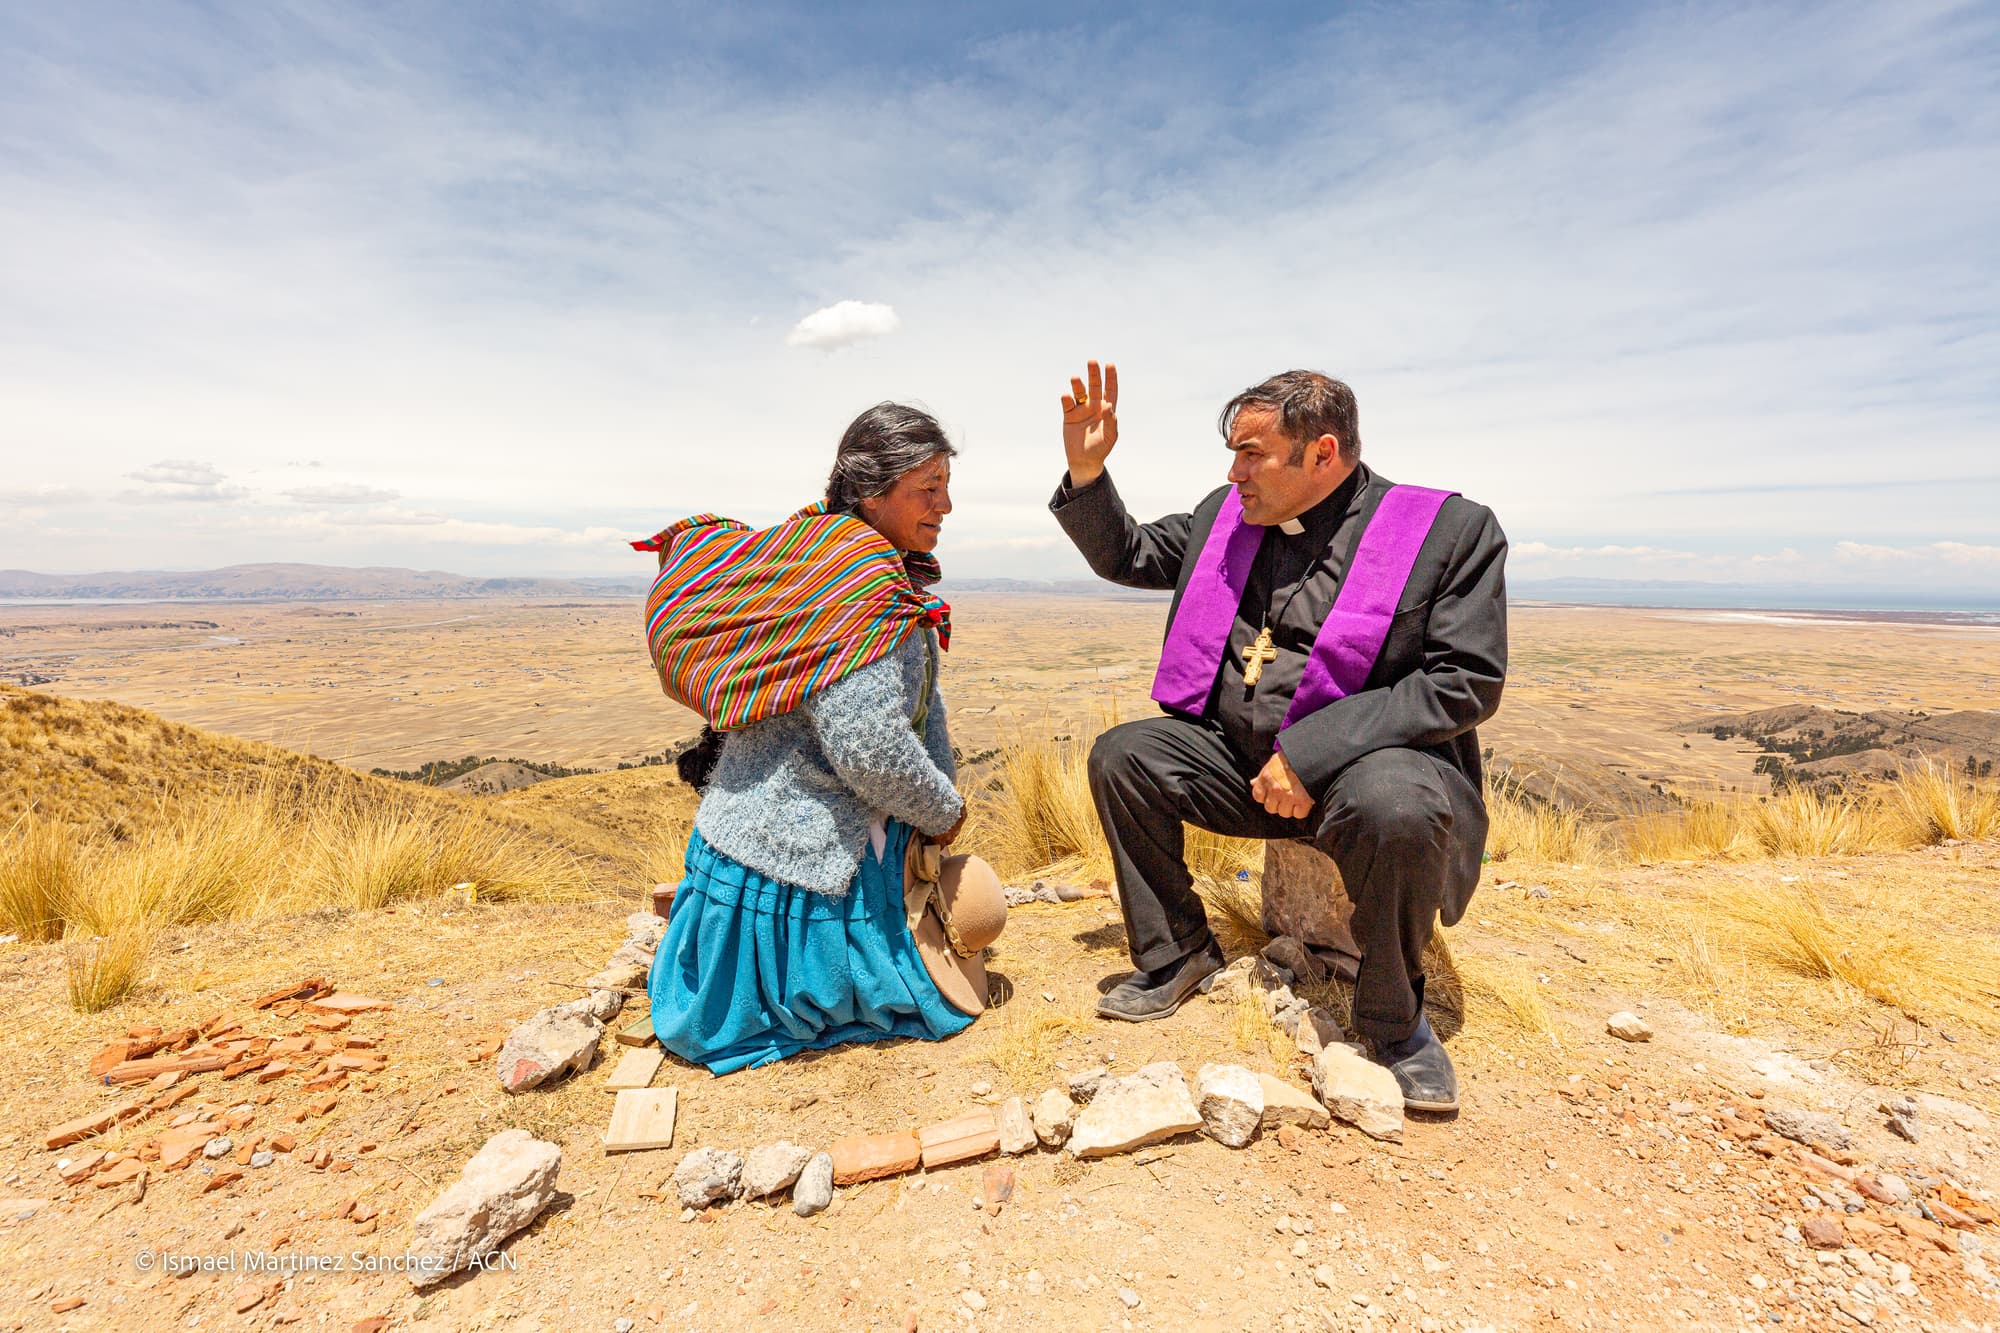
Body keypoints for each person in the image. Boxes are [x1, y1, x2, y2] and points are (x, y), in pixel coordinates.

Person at [1049, 361, 1507, 1112]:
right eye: (1233, 454)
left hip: (1362, 776)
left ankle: (1395, 1026)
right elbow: (1129, 554)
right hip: (1245, 766)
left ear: (1323, 453)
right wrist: (1087, 471)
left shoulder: (1447, 533)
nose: (1235, 473)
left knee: (1398, 806)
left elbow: (1465, 681)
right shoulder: (1228, 515)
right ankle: (1177, 954)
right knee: (1125, 757)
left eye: (1252, 454)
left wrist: (1313, 751)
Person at [636, 402, 1004, 1075]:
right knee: (928, 1002)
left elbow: (915, 705)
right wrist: (944, 811)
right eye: (928, 487)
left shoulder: (827, 553)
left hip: (742, 841)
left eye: (947, 484)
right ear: (872, 492)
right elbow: (868, 746)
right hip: (800, 856)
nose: (946, 504)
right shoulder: (861, 579)